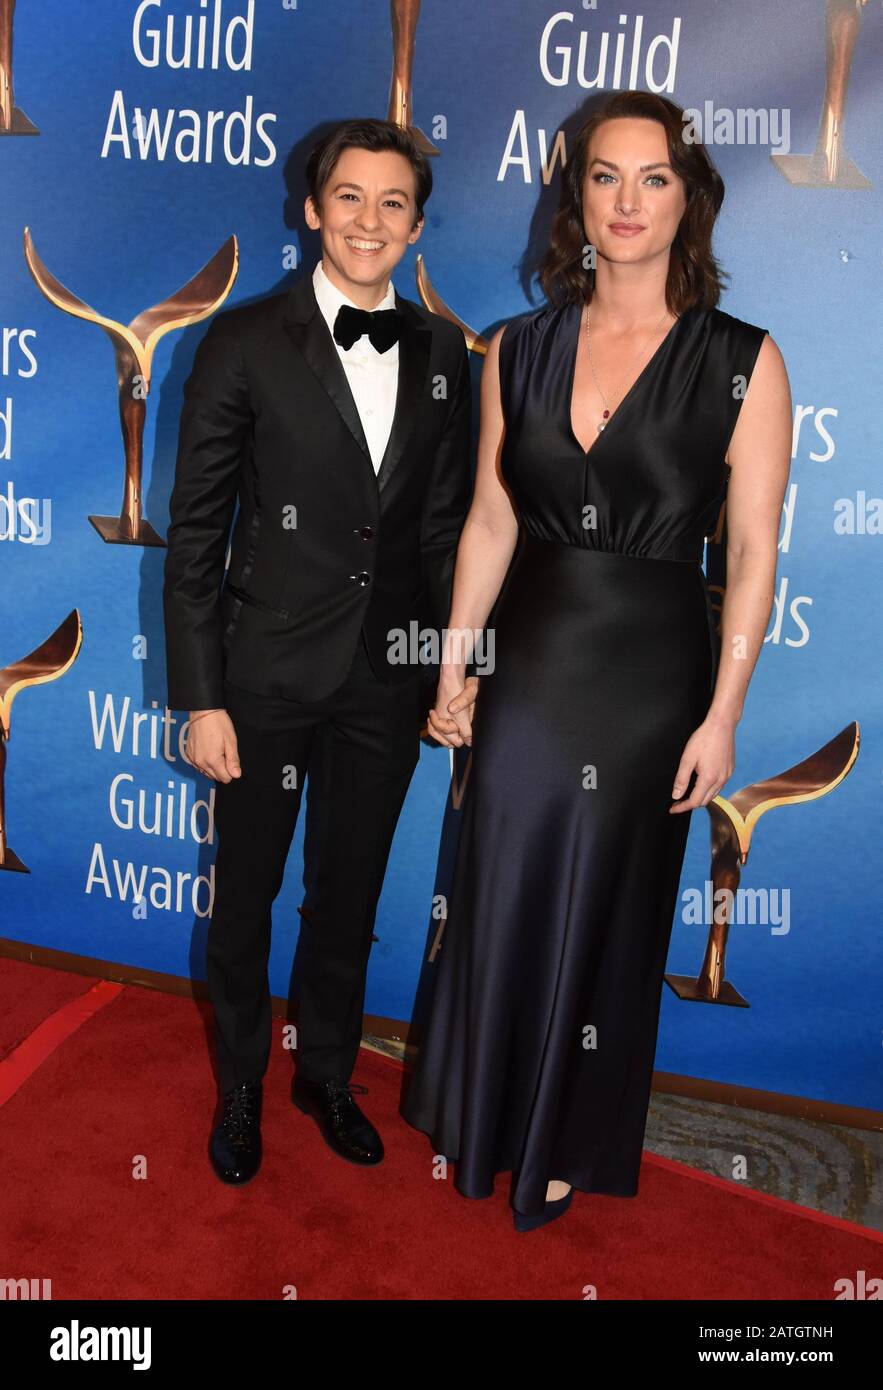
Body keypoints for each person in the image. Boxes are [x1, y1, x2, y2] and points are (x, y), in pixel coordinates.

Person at [402, 90, 792, 1232]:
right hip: (530, 660)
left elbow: (758, 551)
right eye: (605, 177)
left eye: (653, 177)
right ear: (574, 194)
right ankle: (483, 1113)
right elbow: (488, 518)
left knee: (609, 905)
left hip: (650, 678)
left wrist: (722, 715)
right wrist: (454, 666)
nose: (627, 201)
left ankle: (564, 1133)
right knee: (502, 879)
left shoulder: (740, 362)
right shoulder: (515, 349)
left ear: (689, 197)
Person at [163, 118, 472, 1184]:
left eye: (393, 203)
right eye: (350, 197)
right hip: (261, 679)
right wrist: (200, 697)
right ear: (311, 208)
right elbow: (197, 534)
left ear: (417, 226)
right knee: (244, 893)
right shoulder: (244, 340)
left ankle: (326, 1075)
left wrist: (448, 669)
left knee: (350, 892)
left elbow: (439, 535)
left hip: (384, 682)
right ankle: (242, 1085)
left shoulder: (443, 354)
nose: (369, 220)